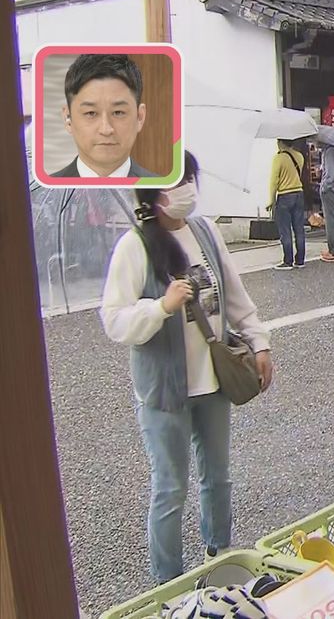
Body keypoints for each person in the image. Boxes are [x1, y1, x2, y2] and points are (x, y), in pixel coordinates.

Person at [100, 151, 273, 582]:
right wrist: (160, 306)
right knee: (170, 489)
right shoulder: (134, 247)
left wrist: (259, 341)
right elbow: (115, 321)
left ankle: (220, 556)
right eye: (176, 182)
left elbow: (234, 294)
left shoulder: (205, 231)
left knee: (217, 476)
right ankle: (168, 584)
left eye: (189, 178)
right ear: (154, 195)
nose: (186, 189)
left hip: (213, 380)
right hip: (164, 390)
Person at [53, 54, 157, 179]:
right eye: (91, 113)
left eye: (118, 112)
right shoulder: (38, 192)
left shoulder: (164, 189)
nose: (106, 129)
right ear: (68, 118)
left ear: (140, 117)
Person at [268, 139, 308, 270]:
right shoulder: (299, 156)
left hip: (285, 195)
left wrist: (271, 200)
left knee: (285, 230)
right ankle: (300, 260)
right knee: (299, 229)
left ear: (282, 143)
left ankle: (288, 260)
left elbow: (274, 181)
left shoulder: (278, 158)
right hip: (299, 193)